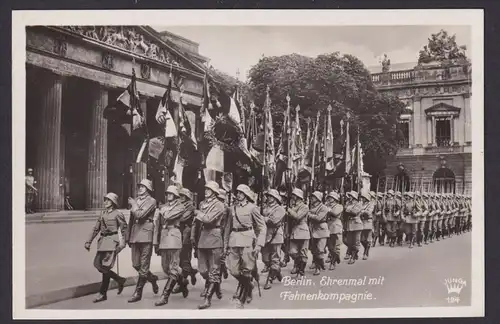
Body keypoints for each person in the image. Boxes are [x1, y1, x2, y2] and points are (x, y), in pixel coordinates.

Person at [224, 184, 266, 308]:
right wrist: (225, 244)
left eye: (241, 193)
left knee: (247, 270)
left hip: (248, 239)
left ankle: (241, 299)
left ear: (246, 195)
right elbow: (227, 228)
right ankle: (248, 285)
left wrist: (259, 244)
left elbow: (262, 226)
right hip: (234, 239)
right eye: (238, 193)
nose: (238, 195)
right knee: (233, 270)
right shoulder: (232, 209)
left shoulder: (253, 208)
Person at [84, 193, 127, 303]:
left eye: (108, 200)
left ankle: (102, 294)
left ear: (113, 202)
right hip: (102, 242)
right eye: (105, 200)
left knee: (105, 268)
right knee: (98, 264)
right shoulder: (102, 214)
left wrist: (123, 243)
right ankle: (120, 279)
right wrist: (89, 241)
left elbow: (124, 229)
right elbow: (96, 229)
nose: (106, 202)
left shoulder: (118, 214)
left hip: (112, 242)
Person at [192, 181, 225, 309]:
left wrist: (197, 213)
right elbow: (199, 223)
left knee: (214, 270)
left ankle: (208, 299)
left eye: (209, 189)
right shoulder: (202, 204)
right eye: (205, 189)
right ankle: (215, 284)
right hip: (203, 237)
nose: (206, 191)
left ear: (214, 192)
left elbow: (208, 219)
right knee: (203, 270)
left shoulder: (219, 205)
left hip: (214, 237)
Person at [152, 185, 188, 306]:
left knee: (173, 267)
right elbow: (157, 224)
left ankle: (165, 296)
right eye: (167, 194)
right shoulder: (164, 207)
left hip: (174, 236)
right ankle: (182, 281)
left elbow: (168, 216)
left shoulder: (180, 207)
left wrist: (161, 210)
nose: (168, 196)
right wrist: (155, 242)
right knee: (165, 268)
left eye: (171, 194)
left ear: (176, 196)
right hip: (163, 237)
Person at [127, 179, 159, 303]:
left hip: (146, 235)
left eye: (143, 187)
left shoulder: (151, 201)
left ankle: (138, 293)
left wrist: (134, 205)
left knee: (144, 266)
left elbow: (140, 215)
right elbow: (131, 220)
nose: (140, 188)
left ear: (148, 189)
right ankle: (152, 279)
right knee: (136, 264)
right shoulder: (136, 200)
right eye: (139, 186)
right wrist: (128, 237)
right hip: (135, 235)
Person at [170, 188, 198, 295]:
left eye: (183, 196)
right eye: (180, 196)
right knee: (179, 260)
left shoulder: (190, 207)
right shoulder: (178, 206)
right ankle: (191, 272)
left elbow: (182, 218)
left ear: (187, 197)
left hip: (186, 235)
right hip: (177, 234)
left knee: (184, 258)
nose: (180, 198)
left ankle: (182, 282)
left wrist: (173, 213)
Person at [262, 189, 285, 289]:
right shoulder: (264, 208)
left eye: (271, 196)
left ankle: (269, 279)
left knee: (275, 258)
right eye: (268, 196)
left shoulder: (280, 209)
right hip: (265, 235)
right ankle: (277, 270)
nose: (269, 198)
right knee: (265, 259)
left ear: (276, 198)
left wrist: (262, 218)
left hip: (276, 235)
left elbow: (273, 221)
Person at [286, 188, 310, 277]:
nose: (292, 197)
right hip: (294, 231)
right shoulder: (293, 206)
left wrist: (288, 210)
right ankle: (297, 264)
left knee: (303, 252)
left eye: (294, 195)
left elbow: (298, 216)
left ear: (298, 197)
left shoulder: (304, 206)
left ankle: (301, 270)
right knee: (292, 252)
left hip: (303, 231)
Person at [308, 191, 330, 275]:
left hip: (322, 230)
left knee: (320, 250)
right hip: (313, 230)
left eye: (313, 197)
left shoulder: (323, 207)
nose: (311, 199)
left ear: (318, 199)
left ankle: (318, 267)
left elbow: (319, 218)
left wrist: (310, 215)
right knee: (314, 250)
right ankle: (320, 264)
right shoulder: (312, 207)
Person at [344, 191, 363, 264]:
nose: (349, 197)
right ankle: (353, 253)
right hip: (349, 224)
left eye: (351, 196)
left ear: (354, 197)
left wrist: (347, 210)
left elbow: (354, 212)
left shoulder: (358, 204)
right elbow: (345, 212)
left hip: (356, 224)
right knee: (349, 241)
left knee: (356, 241)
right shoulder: (348, 203)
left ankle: (353, 256)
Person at [325, 191, 343, 270]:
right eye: (329, 197)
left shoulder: (339, 206)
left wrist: (328, 210)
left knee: (335, 246)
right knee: (329, 246)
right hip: (328, 226)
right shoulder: (327, 205)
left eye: (331, 197)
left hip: (335, 226)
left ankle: (333, 262)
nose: (329, 199)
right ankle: (336, 257)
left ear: (335, 199)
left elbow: (335, 213)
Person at [360, 192, 375, 260]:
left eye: (363, 198)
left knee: (368, 239)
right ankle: (366, 248)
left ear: (366, 198)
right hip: (361, 222)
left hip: (368, 222)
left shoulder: (371, 204)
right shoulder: (360, 204)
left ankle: (366, 253)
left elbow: (369, 212)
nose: (362, 199)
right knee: (362, 239)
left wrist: (362, 211)